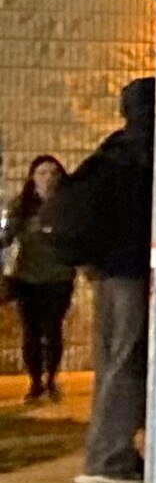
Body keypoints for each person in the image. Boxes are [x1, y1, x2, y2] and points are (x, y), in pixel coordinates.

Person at [61, 77, 156, 483]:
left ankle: (109, 451)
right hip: (131, 270)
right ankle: (110, 458)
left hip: (103, 272)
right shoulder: (148, 152)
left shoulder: (109, 151)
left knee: (112, 363)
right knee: (127, 362)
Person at [8, 153, 73, 405]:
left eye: (53, 172)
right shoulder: (22, 205)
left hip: (58, 277)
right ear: (32, 177)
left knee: (53, 329)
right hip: (27, 278)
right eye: (42, 173)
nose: (48, 178)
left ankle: (51, 379)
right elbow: (7, 234)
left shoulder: (66, 204)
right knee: (30, 331)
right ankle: (35, 382)